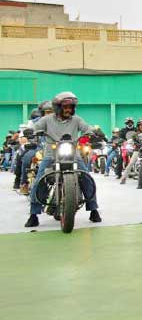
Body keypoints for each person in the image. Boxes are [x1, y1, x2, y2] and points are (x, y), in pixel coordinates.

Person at [25, 92, 100, 228]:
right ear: (58, 107)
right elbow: (35, 127)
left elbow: (86, 127)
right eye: (65, 107)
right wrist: (30, 131)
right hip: (51, 155)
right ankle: (34, 214)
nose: (68, 110)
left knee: (86, 177)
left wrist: (94, 132)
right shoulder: (47, 120)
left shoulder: (76, 119)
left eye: (70, 107)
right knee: (39, 180)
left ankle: (93, 209)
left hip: (73, 154)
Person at [120, 118, 142, 185]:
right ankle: (124, 178)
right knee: (131, 162)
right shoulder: (135, 134)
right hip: (138, 150)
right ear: (138, 126)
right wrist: (131, 142)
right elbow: (131, 141)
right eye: (140, 125)